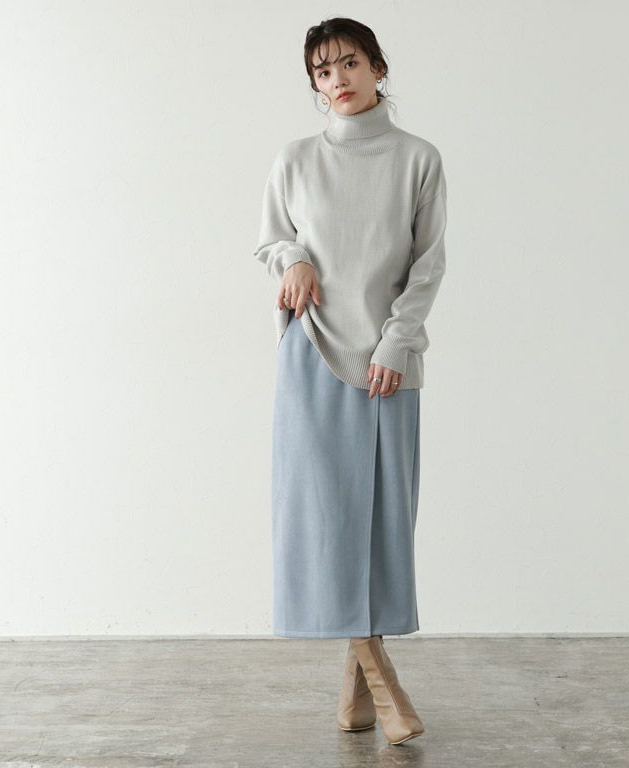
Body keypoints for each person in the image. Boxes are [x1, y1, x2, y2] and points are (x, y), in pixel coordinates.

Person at [253, 17, 447, 745]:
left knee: (380, 526)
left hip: (389, 363)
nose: (337, 80)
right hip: (312, 355)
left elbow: (427, 264)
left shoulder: (418, 159)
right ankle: (383, 686)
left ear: (377, 67)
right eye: (323, 71)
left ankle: (354, 692)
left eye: (349, 64)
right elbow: (272, 238)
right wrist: (294, 259)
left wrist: (397, 342)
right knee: (326, 521)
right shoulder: (296, 159)